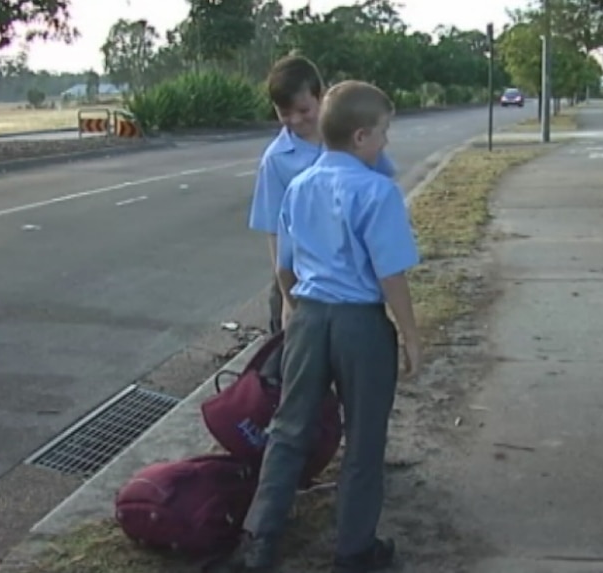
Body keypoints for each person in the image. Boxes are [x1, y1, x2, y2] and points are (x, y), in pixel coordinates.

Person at [217, 80, 421, 573]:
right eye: (382, 133)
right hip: (360, 324)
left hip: (309, 316)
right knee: (364, 438)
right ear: (358, 137)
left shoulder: (300, 185)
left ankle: (260, 540)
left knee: (289, 429)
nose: (385, 143)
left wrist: (292, 305)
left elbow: (285, 263)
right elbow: (389, 272)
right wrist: (411, 334)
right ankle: (354, 549)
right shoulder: (377, 191)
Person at [248, 55, 396, 338]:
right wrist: (286, 295)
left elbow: (381, 189)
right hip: (300, 278)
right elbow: (275, 232)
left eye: (303, 110)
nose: (295, 119)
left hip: (354, 279)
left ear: (321, 96)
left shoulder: (354, 139)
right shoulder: (276, 160)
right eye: (284, 112)